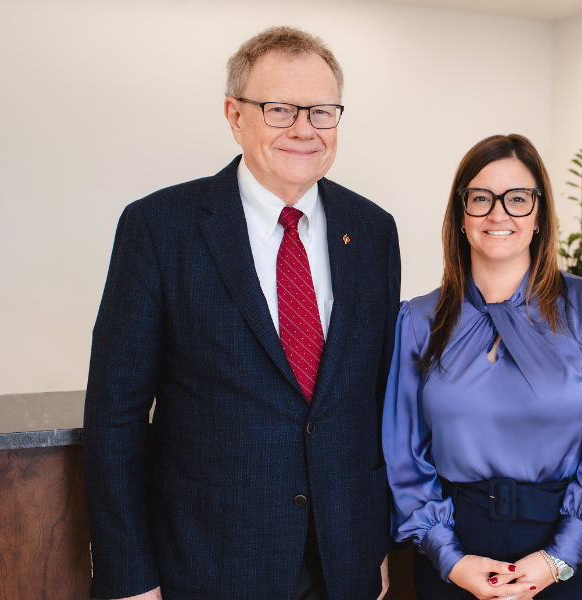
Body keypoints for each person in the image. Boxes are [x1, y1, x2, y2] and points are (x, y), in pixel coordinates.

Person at [84, 27, 398, 600]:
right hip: (210, 566)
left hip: (346, 563)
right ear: (235, 116)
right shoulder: (159, 229)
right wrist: (129, 577)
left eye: (322, 111)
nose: (304, 128)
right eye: (279, 109)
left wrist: (375, 544)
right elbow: (115, 418)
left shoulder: (374, 231)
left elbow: (374, 402)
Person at [382, 134, 582, 600]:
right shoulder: (418, 319)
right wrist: (448, 556)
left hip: (571, 554)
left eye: (517, 198)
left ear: (539, 214)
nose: (498, 213)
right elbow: (405, 452)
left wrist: (560, 557)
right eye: (480, 198)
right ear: (460, 216)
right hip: (456, 555)